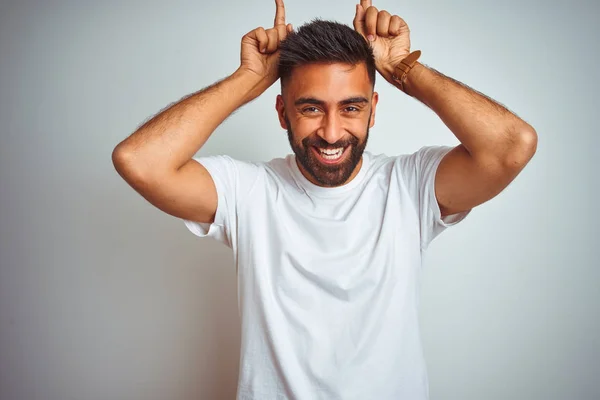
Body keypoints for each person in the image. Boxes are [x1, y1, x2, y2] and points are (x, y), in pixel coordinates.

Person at [112, 0, 537, 398]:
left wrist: (404, 68)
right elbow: (139, 161)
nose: (331, 133)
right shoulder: (249, 191)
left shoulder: (410, 185)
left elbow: (512, 145)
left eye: (350, 108)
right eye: (311, 108)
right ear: (282, 113)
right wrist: (248, 80)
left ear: (373, 109)